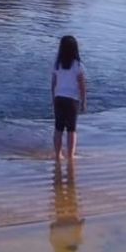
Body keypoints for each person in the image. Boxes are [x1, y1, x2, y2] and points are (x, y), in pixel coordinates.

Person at [51, 35, 87, 163]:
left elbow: (53, 83)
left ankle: (57, 155)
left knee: (58, 128)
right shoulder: (78, 65)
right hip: (72, 99)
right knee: (71, 129)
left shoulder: (57, 64)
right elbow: (82, 85)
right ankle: (70, 156)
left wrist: (53, 98)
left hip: (59, 98)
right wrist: (84, 101)